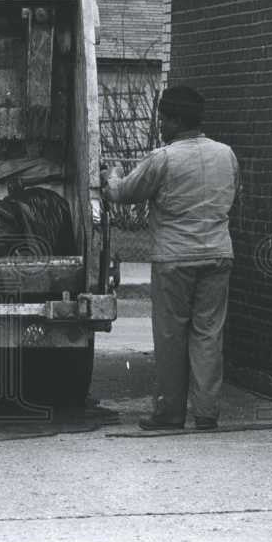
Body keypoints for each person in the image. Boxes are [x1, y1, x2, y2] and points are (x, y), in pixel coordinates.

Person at [102, 85, 239, 431]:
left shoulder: (163, 158)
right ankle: (207, 414)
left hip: (175, 259)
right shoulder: (226, 155)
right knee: (208, 334)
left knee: (171, 335)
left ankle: (170, 413)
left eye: (164, 119)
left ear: (176, 121)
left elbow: (123, 194)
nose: (161, 125)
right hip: (218, 255)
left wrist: (112, 174)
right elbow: (236, 194)